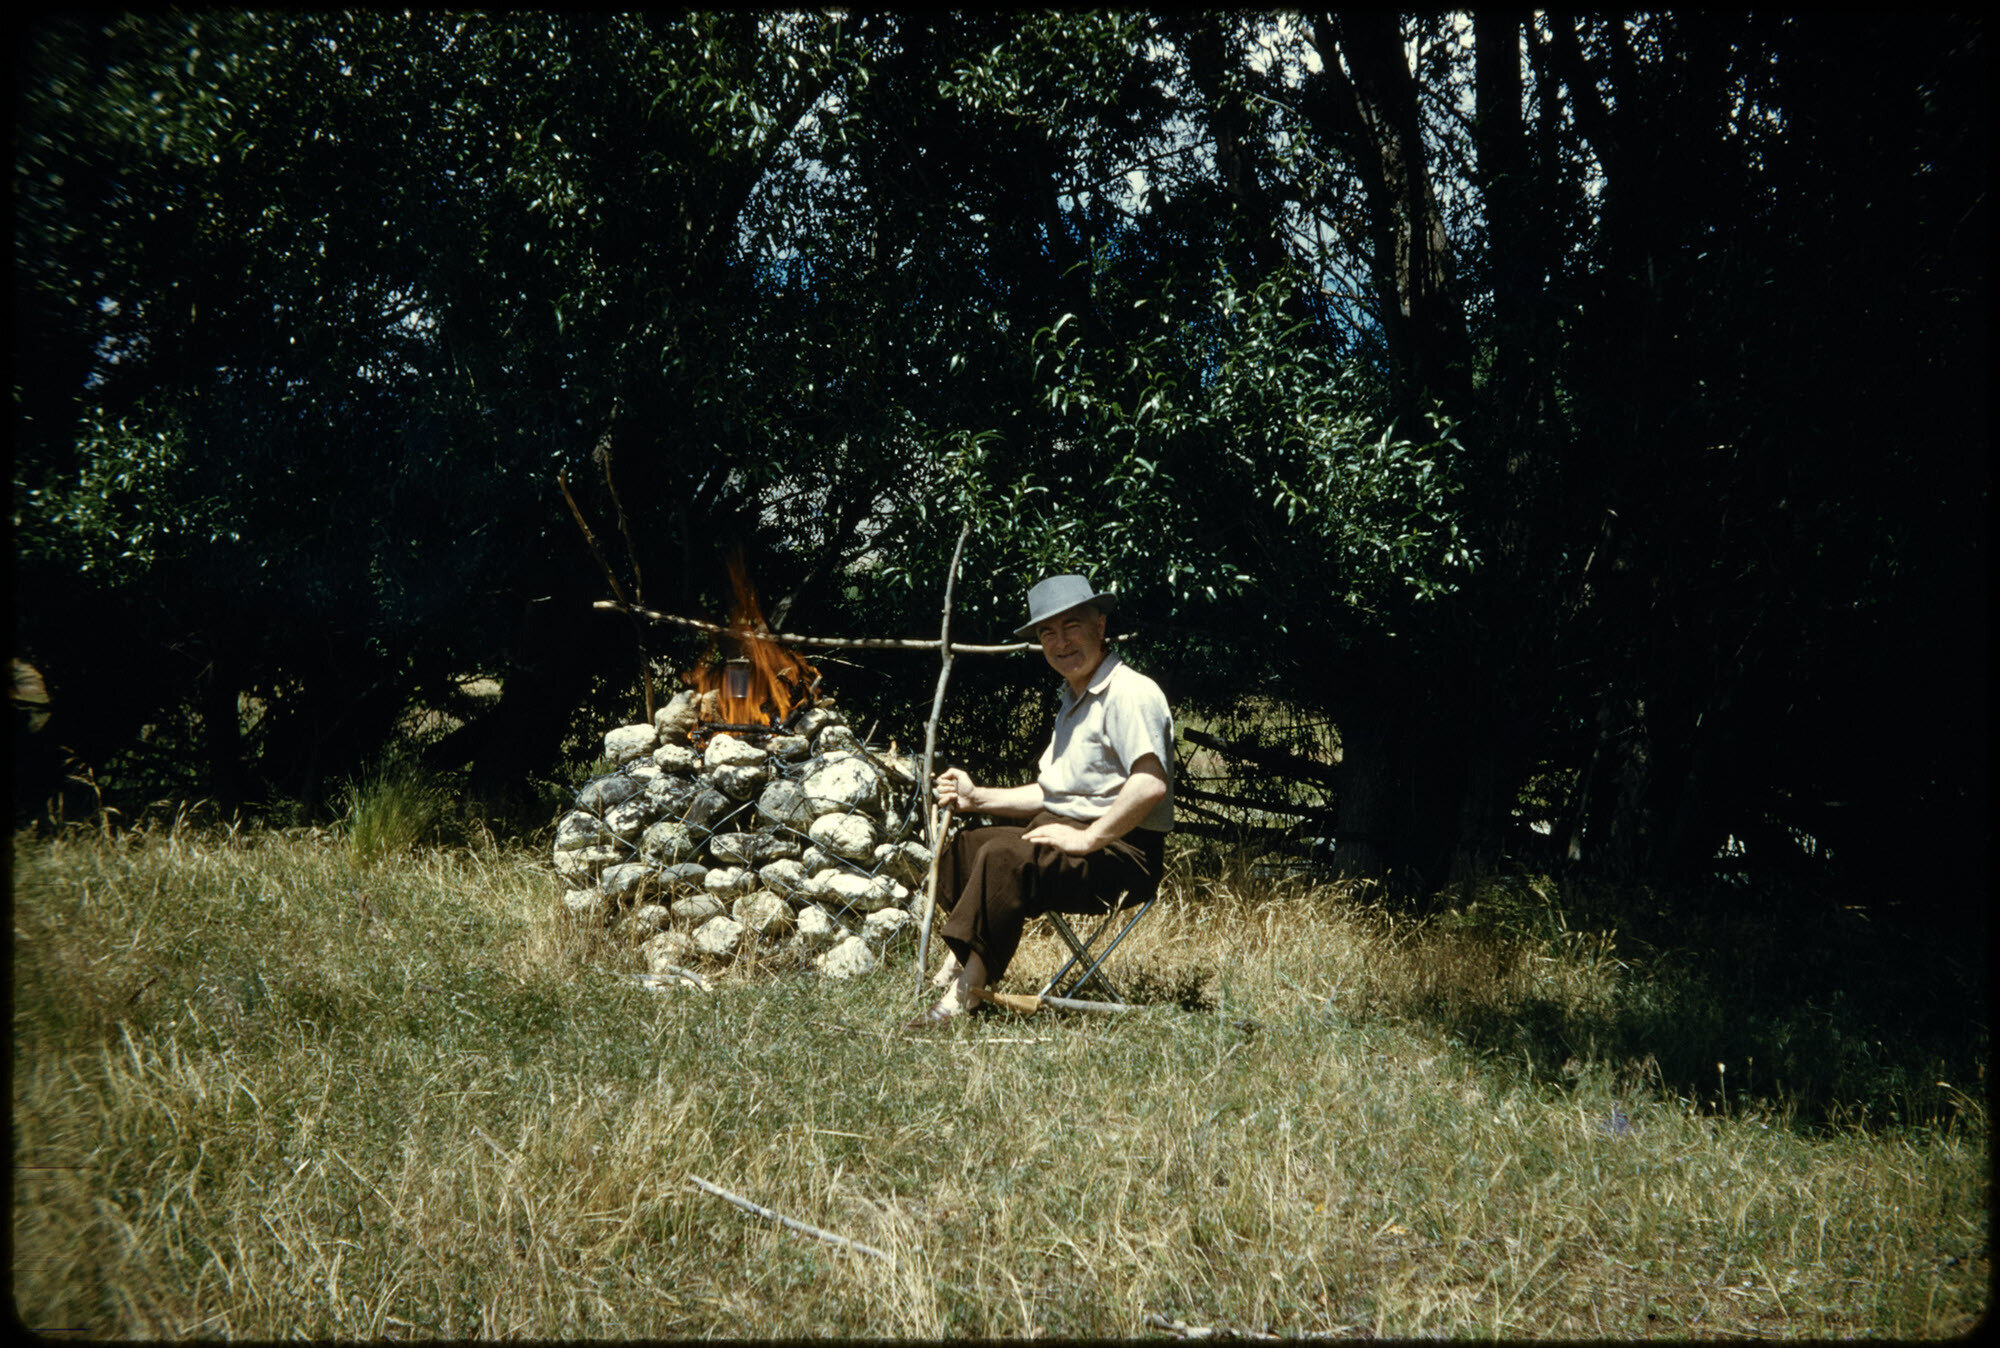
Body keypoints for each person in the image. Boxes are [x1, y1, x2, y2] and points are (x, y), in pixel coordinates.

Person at [907, 574, 1173, 1028]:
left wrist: (1089, 838)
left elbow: (1150, 784)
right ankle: (964, 955)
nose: (1060, 642)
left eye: (1072, 626)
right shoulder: (1073, 699)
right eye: (1048, 632)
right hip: (1076, 835)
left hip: (1124, 854)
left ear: (1101, 626)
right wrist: (977, 797)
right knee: (967, 848)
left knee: (1003, 856)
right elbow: (1052, 792)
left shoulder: (1130, 692)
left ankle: (966, 994)